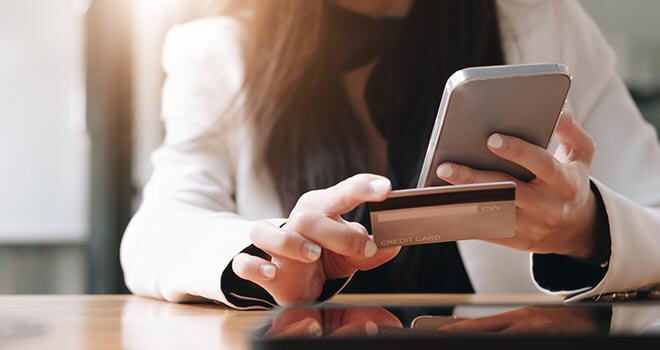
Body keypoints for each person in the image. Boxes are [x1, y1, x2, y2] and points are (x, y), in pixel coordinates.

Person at [120, 0, 660, 309]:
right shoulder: (215, 49)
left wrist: (587, 230)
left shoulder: (545, 22)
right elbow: (156, 229)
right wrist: (266, 256)